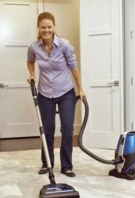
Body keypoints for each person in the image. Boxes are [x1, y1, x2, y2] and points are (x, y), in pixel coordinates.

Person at [27, 12, 86, 177]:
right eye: (43, 27)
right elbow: (30, 61)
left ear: (54, 27)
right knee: (47, 130)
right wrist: (32, 74)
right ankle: (47, 164)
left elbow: (74, 68)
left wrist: (80, 88)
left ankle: (67, 166)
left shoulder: (65, 45)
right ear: (38, 27)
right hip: (45, 93)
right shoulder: (34, 47)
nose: (46, 30)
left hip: (66, 92)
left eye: (49, 27)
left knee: (67, 130)